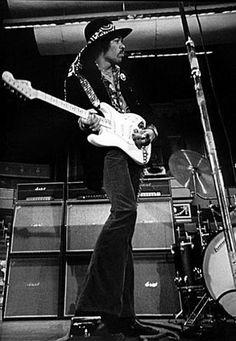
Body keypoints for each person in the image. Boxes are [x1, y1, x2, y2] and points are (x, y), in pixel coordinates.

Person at [61, 18, 159, 340]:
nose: (123, 46)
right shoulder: (79, 80)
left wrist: (149, 131)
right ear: (103, 44)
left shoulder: (126, 77)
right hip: (108, 155)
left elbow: (146, 111)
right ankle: (92, 303)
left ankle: (123, 316)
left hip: (132, 155)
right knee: (125, 213)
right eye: (118, 41)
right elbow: (71, 122)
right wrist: (83, 124)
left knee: (124, 238)